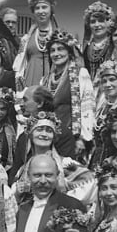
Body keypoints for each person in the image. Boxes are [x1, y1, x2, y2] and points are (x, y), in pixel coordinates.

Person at [9, 101, 97, 208]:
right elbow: (13, 199)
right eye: (39, 130)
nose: (44, 134)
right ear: (31, 135)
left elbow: (91, 183)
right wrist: (18, 192)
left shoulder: (65, 164)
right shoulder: (24, 168)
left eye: (48, 131)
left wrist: (64, 199)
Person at [41, 30, 95, 159]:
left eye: (60, 49)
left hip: (71, 137)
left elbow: (87, 106)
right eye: (52, 50)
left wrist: (82, 138)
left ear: (69, 52)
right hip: (49, 136)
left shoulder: (80, 74)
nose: (56, 53)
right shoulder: (45, 80)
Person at [13, 0, 58, 89]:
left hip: (53, 82)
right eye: (37, 8)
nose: (41, 11)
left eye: (44, 7)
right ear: (33, 12)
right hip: (30, 81)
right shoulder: (26, 39)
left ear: (51, 10)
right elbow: (19, 63)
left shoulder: (59, 36)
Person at [82, 0, 115, 83]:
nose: (97, 25)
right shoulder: (85, 48)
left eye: (100, 20)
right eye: (93, 22)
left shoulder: (115, 45)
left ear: (108, 22)